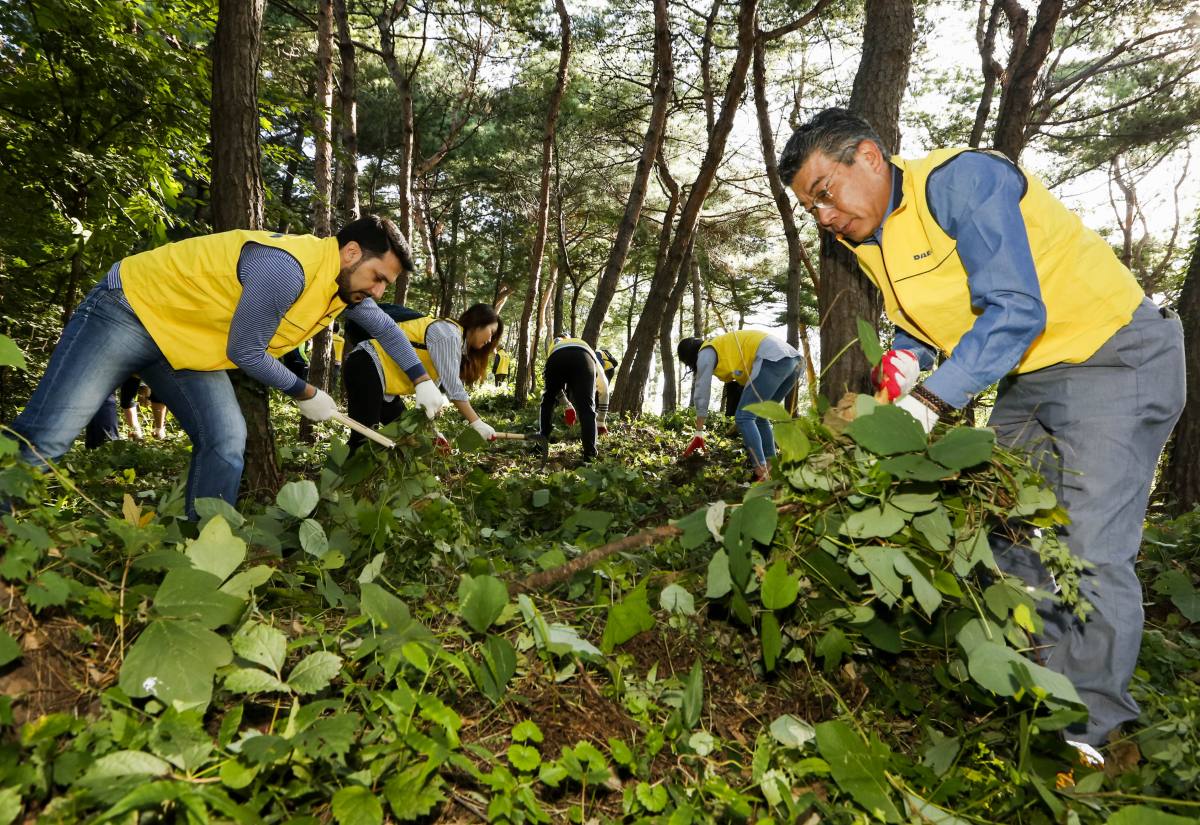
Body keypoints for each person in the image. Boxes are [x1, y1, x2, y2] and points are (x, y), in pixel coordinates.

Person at [777, 107, 1185, 762]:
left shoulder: (961, 182)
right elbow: (930, 309)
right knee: (996, 523)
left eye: (824, 192)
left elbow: (1016, 309)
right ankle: (1052, 689)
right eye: (809, 207)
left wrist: (930, 401)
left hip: (1115, 354)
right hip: (1036, 374)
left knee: (1092, 548)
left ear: (871, 159)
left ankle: (1095, 736)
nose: (821, 217)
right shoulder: (866, 237)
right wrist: (909, 360)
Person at [6, 215, 447, 519]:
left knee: (226, 438)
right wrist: (306, 394)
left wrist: (423, 381)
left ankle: (208, 547)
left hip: (186, 345)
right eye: (378, 276)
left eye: (385, 283)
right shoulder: (288, 269)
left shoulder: (342, 288)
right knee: (48, 435)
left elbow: (388, 330)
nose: (378, 289)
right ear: (351, 252)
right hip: (130, 310)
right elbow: (247, 351)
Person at [342, 303, 502, 454]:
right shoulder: (449, 334)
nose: (489, 340)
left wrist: (434, 434)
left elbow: (430, 401)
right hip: (367, 365)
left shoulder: (455, 344)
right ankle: (339, 481)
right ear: (477, 323)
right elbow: (454, 388)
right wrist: (476, 422)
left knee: (410, 435)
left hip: (384, 382)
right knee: (364, 440)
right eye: (491, 332)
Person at [677, 331, 801, 480]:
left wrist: (698, 432)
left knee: (744, 417)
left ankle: (760, 473)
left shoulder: (705, 351)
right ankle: (771, 470)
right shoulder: (719, 346)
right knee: (760, 416)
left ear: (690, 357)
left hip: (773, 359)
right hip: (794, 362)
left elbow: (702, 390)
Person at [538, 337, 609, 461]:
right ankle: (590, 456)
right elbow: (604, 388)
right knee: (587, 408)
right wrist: (601, 420)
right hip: (584, 357)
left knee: (548, 401)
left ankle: (541, 445)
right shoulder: (592, 355)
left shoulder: (553, 350)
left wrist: (566, 404)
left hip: (557, 358)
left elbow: (553, 387)